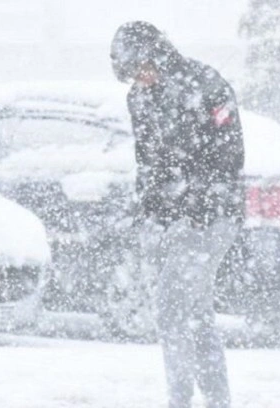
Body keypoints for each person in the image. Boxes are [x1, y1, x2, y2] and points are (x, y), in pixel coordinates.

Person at [110, 21, 245, 408]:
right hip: (168, 220)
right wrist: (149, 209)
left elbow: (229, 153)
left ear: (158, 53)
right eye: (133, 74)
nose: (142, 78)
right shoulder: (139, 98)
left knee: (171, 307)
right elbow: (148, 161)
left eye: (143, 67)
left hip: (212, 217)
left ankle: (179, 400)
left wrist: (199, 201)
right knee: (196, 313)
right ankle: (218, 401)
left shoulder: (206, 85)